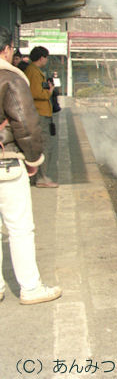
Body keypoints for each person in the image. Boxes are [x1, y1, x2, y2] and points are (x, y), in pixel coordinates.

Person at [0, 26, 62, 304]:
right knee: (19, 227)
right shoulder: (11, 77)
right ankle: (30, 287)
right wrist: (34, 159)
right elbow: (25, 123)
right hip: (6, 161)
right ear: (8, 48)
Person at [24, 46, 58, 188]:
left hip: (41, 113)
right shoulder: (33, 72)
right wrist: (49, 91)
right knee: (44, 145)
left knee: (42, 145)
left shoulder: (34, 71)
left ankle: (40, 176)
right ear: (42, 57)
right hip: (40, 113)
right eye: (46, 57)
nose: (47, 60)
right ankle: (42, 178)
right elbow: (36, 93)